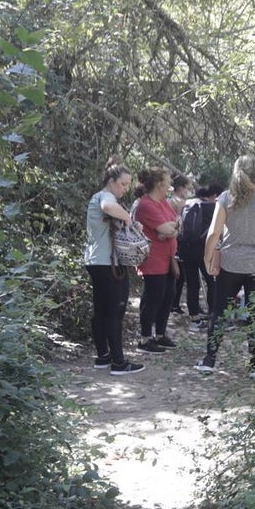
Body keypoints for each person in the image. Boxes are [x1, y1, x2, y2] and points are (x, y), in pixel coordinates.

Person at [196, 155, 255, 374]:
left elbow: (214, 233)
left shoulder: (226, 198)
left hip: (231, 264)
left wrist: (207, 259)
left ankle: (209, 361)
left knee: (219, 312)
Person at [83, 155, 144, 375]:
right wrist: (128, 217)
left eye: (128, 184)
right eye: (123, 184)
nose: (125, 189)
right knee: (114, 312)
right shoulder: (104, 196)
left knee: (101, 311)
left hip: (96, 260)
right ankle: (118, 362)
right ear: (111, 181)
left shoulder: (101, 197)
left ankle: (103, 356)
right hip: (107, 263)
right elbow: (109, 207)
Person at [133, 167, 180, 353]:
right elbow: (168, 229)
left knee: (168, 296)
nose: (170, 184)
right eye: (168, 180)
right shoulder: (146, 204)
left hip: (168, 258)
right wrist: (168, 230)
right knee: (153, 298)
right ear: (160, 183)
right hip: (152, 259)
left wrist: (170, 229)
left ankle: (160, 334)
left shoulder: (163, 202)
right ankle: (145, 338)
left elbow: (176, 223)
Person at [178, 182, 222, 330]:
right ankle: (213, 315)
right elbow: (216, 233)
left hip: (185, 250)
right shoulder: (212, 207)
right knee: (212, 282)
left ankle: (195, 319)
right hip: (203, 251)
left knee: (192, 284)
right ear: (214, 195)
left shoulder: (186, 204)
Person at [168, 173, 194, 314]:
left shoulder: (175, 200)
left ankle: (174, 303)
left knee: (180, 275)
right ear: (181, 187)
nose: (188, 191)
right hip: (178, 240)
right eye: (187, 188)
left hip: (179, 239)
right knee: (178, 275)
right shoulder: (177, 201)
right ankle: (173, 303)